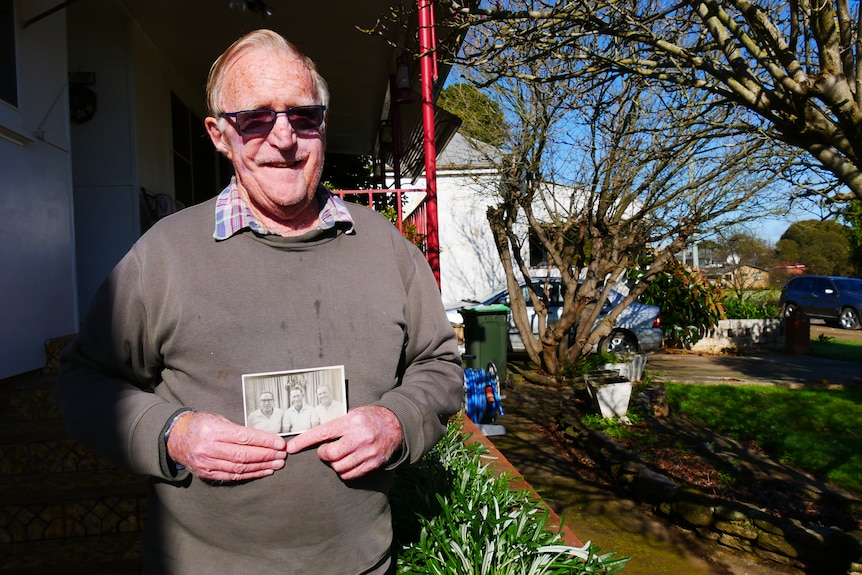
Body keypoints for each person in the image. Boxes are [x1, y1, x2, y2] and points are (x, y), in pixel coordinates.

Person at [55, 29, 463, 575]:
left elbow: (439, 366)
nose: (283, 139)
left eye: (303, 116)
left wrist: (397, 421)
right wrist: (172, 434)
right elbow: (83, 382)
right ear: (219, 134)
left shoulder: (386, 248)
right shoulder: (164, 255)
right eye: (254, 119)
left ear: (322, 123)